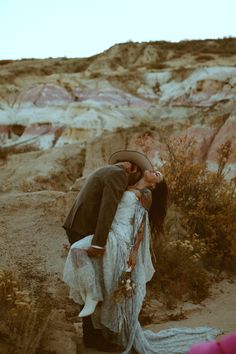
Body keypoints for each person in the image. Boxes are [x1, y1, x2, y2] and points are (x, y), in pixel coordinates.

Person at [63, 155, 222, 353]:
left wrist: (132, 251)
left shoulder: (144, 193)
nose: (155, 171)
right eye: (154, 170)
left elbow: (139, 226)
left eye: (158, 174)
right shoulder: (123, 181)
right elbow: (107, 207)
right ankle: (93, 303)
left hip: (117, 238)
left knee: (106, 278)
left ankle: (99, 329)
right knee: (83, 259)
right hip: (105, 233)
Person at [63, 150, 153, 351]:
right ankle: (92, 336)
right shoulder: (118, 174)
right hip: (85, 229)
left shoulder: (108, 171)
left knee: (91, 277)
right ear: (134, 168)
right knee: (94, 277)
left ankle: (94, 330)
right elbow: (108, 207)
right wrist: (99, 243)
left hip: (78, 225)